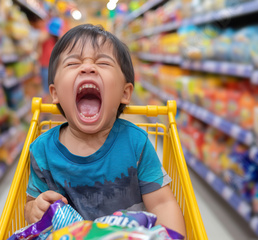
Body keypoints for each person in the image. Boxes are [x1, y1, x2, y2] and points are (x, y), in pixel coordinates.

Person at [24, 24, 186, 236]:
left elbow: (162, 204)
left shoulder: (136, 143)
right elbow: (31, 205)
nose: (88, 68)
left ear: (125, 93)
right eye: (73, 62)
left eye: (102, 62)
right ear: (54, 93)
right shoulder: (42, 151)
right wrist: (35, 209)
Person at [39, 17, 63, 94]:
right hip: (45, 65)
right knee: (46, 88)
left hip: (55, 65)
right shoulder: (44, 34)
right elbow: (39, 41)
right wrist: (49, 34)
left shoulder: (58, 37)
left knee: (54, 85)